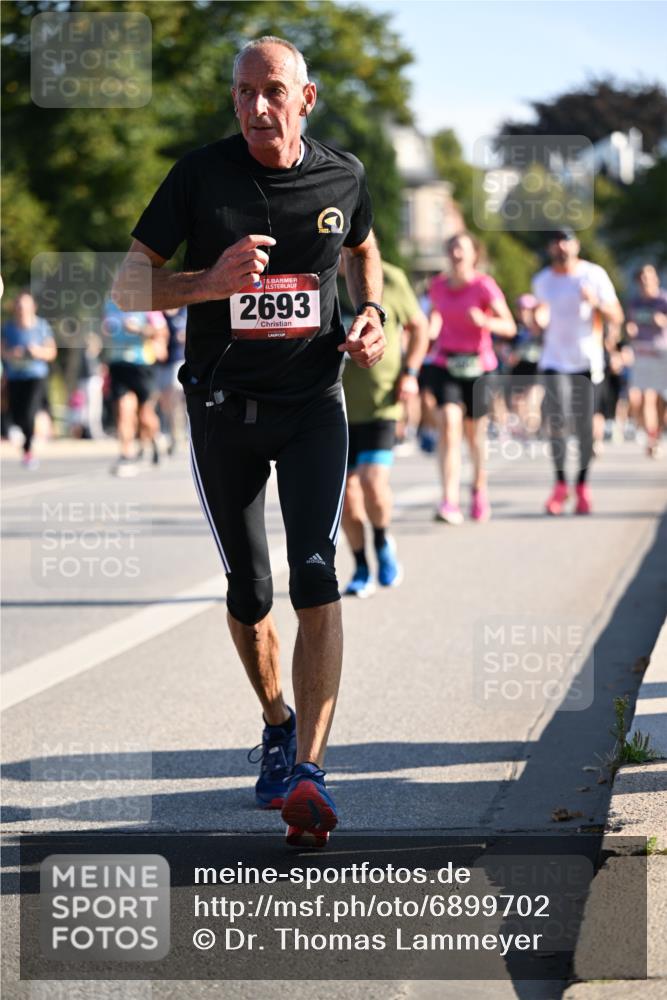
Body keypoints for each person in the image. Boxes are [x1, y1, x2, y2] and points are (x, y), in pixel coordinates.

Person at [112, 36, 385, 848]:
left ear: (306, 98)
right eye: (242, 93)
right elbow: (128, 286)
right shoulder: (200, 176)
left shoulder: (345, 176)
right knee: (248, 591)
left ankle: (309, 771)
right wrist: (209, 282)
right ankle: (275, 718)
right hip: (223, 409)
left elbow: (363, 250)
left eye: (272, 91)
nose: (256, 107)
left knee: (314, 570)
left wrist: (372, 316)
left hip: (312, 406)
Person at [341, 259, 429, 597]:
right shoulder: (321, 274)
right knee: (347, 499)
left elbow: (419, 327)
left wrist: (410, 374)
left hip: (382, 403)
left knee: (372, 482)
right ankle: (361, 566)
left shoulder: (389, 277)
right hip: (335, 407)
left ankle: (381, 541)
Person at [420, 232, 516, 524]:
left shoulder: (484, 286)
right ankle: (449, 500)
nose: (456, 254)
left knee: (475, 434)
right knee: (449, 423)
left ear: (474, 254)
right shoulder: (437, 285)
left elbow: (509, 327)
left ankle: (478, 488)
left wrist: (485, 321)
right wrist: (431, 328)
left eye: (461, 249)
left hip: (479, 365)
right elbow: (436, 314)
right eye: (451, 249)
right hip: (445, 361)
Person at [532, 229, 623, 515]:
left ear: (576, 245)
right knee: (557, 423)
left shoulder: (593, 275)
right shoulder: (542, 281)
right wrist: (535, 320)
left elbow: (617, 315)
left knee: (585, 430)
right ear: (549, 249)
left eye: (566, 240)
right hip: (554, 361)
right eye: (555, 242)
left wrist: (594, 302)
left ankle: (582, 485)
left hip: (587, 362)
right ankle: (560, 484)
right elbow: (539, 322)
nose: (561, 246)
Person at [102, 300, 167, 476]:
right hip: (118, 364)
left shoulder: (147, 307)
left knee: (145, 416)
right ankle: (126, 455)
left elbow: (162, 332)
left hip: (141, 365)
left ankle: (154, 438)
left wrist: (139, 330)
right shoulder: (109, 306)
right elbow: (103, 331)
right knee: (124, 411)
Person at [1, 291, 57, 468]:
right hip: (15, 376)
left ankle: (28, 449)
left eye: (25, 306)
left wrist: (37, 351)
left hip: (36, 376)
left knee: (30, 411)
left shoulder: (41, 327)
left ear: (33, 307)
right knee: (17, 414)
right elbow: (2, 350)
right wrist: (12, 354)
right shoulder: (7, 328)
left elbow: (51, 352)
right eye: (18, 306)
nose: (22, 309)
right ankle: (27, 442)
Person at [625, 264, 667, 458]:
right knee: (645, 397)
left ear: (656, 279)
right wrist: (630, 330)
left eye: (649, 277)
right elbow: (631, 324)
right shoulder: (635, 302)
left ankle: (657, 431)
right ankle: (652, 438)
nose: (645, 282)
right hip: (642, 351)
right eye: (642, 278)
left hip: (662, 352)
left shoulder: (663, 300)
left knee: (660, 400)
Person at [155, 307, 187, 455]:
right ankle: (166, 432)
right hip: (160, 363)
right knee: (163, 402)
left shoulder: (184, 311)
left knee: (174, 400)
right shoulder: (158, 313)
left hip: (177, 361)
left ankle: (176, 437)